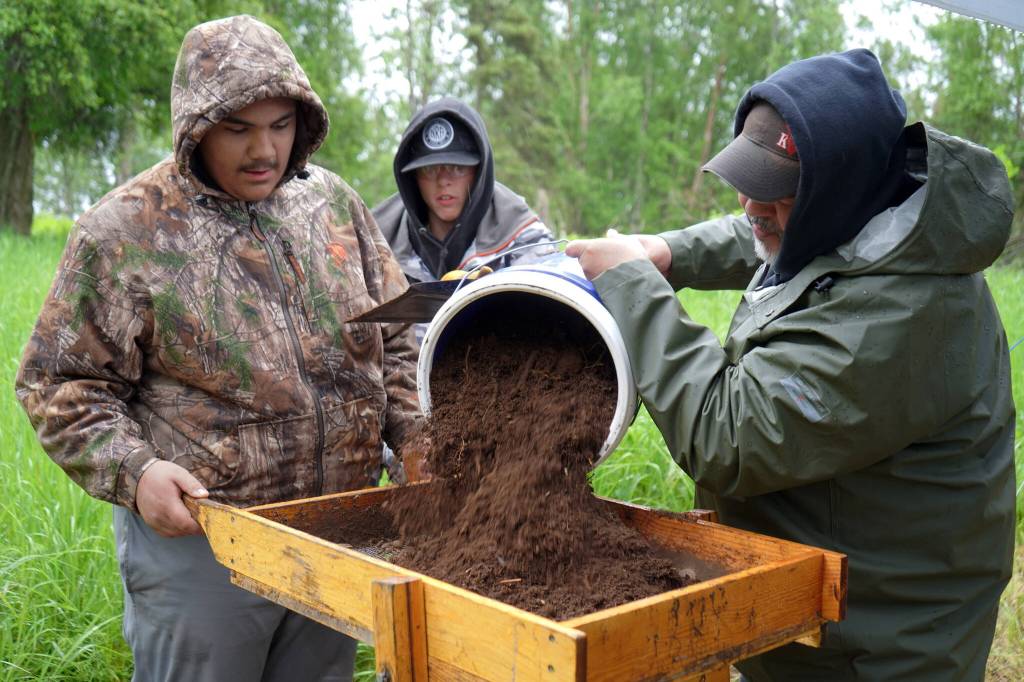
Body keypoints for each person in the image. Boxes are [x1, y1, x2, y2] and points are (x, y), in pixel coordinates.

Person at [566, 48, 1015, 681]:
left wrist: (635, 287)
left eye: (775, 189)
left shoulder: (903, 316)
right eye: (748, 180)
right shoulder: (870, 222)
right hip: (817, 597)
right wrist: (666, 252)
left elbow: (729, 433)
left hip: (883, 637)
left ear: (842, 189)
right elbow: (773, 236)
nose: (751, 203)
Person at [16, 15, 421, 682]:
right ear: (197, 128)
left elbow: (399, 334)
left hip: (337, 535)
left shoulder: (333, 206)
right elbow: (59, 383)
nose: (265, 149)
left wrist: (414, 438)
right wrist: (138, 473)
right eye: (239, 128)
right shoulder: (125, 231)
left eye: (281, 125)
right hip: (205, 550)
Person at [373, 97, 556, 286]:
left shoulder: (523, 236)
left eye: (457, 168)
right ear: (412, 177)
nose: (443, 181)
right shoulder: (374, 238)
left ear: (479, 172)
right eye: (430, 169)